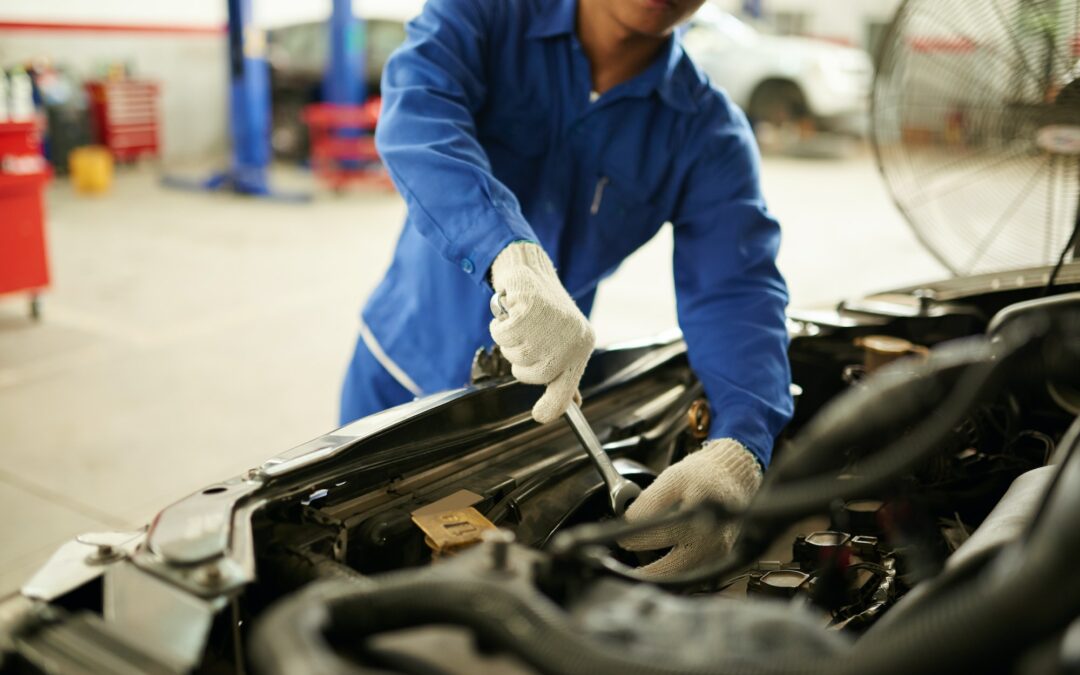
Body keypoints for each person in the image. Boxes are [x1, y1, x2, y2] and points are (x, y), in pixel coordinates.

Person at [340, 0, 793, 577]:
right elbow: (417, 116)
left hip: (526, 416)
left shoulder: (706, 133)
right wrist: (508, 251)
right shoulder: (484, 14)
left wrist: (740, 448)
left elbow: (738, 292)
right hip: (394, 375)